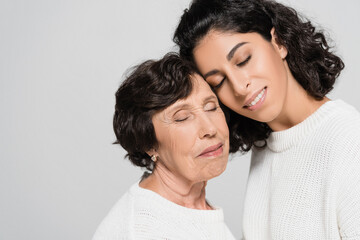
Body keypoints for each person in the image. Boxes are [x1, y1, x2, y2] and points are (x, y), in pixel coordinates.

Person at [173, 0, 360, 239]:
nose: (240, 87)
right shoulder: (267, 146)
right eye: (218, 82)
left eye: (243, 60)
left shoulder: (349, 141)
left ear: (278, 42)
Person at [92, 53, 236, 240]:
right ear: (149, 143)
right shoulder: (144, 232)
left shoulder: (191, 205)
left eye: (211, 107)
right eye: (182, 117)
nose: (210, 128)